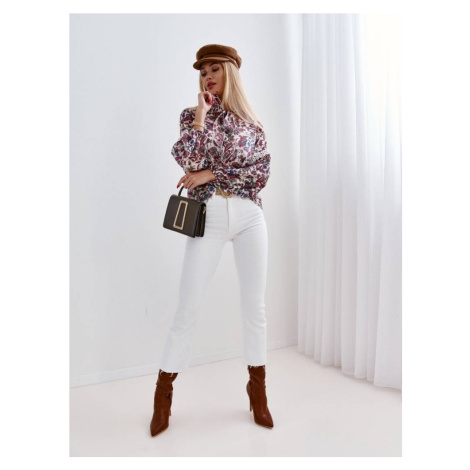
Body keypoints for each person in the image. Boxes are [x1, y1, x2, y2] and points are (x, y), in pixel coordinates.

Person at [150, 44, 274, 437]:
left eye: (215, 69)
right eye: (203, 71)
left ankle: (258, 392)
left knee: (254, 308)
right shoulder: (191, 117)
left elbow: (259, 174)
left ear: (230, 72)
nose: (207, 76)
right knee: (187, 308)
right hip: (209, 216)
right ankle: (163, 395)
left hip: (250, 216)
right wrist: (202, 117)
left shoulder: (251, 123)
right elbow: (189, 161)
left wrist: (211, 174)